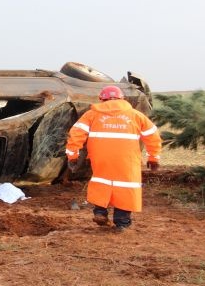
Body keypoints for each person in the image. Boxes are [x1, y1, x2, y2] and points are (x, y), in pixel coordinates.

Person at [65, 85, 161, 232]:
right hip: (127, 160)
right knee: (126, 186)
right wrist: (153, 157)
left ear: (101, 99)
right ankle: (122, 223)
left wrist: (73, 155)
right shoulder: (136, 115)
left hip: (101, 158)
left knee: (101, 181)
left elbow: (76, 134)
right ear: (122, 98)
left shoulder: (92, 114)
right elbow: (152, 136)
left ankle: (100, 212)